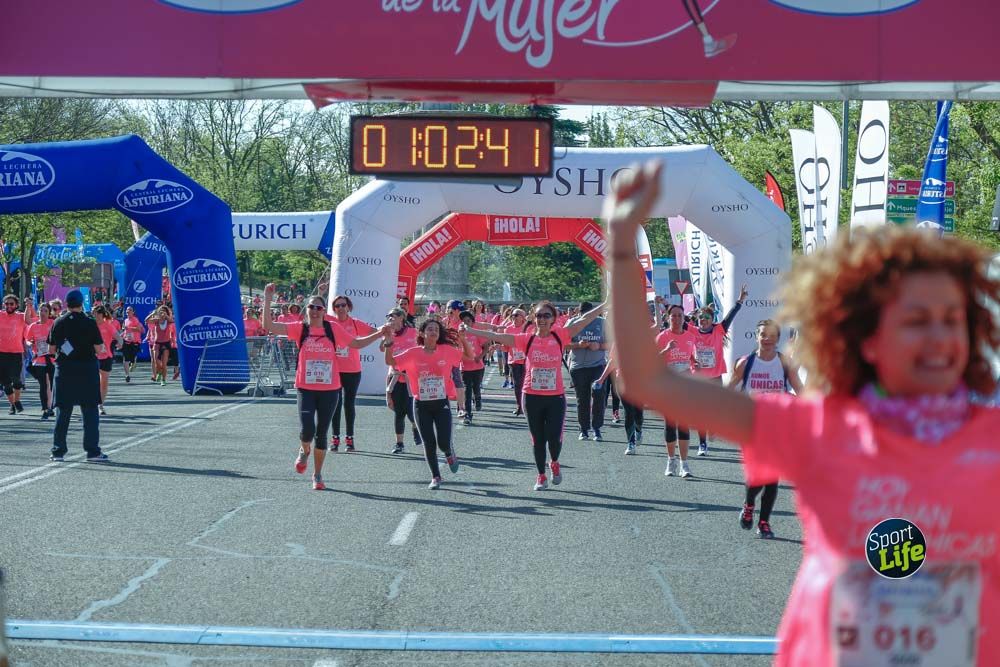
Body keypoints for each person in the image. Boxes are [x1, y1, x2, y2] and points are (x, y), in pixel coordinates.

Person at [606, 161, 1000, 666]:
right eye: (916, 320)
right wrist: (620, 244)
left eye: (953, 319)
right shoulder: (814, 428)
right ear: (866, 336)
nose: (940, 336)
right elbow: (647, 379)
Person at [463, 301, 605, 490]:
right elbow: (496, 335)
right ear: (533, 318)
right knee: (538, 439)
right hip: (531, 396)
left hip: (555, 397)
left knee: (554, 438)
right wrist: (471, 330)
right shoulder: (526, 339)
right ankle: (541, 475)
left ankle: (554, 462)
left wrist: (606, 303)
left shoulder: (560, 335)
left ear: (553, 319)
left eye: (547, 316)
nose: (542, 319)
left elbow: (586, 318)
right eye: (539, 316)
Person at [261, 284, 385, 490]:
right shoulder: (300, 328)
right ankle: (304, 449)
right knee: (307, 429)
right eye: (312, 307)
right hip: (305, 387)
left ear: (323, 311)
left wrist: (380, 333)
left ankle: (317, 475)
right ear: (307, 310)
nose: (315, 311)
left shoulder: (332, 329)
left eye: (319, 308)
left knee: (321, 433)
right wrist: (267, 298)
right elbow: (269, 326)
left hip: (329, 389)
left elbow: (356, 343)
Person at [729, 318, 804, 539]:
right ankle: (749, 504)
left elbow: (800, 389)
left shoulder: (784, 364)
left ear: (778, 339)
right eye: (763, 334)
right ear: (756, 337)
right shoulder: (745, 363)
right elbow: (730, 388)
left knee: (772, 477)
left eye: (772, 335)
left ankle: (764, 523)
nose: (767, 339)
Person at [384, 318, 473, 489]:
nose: (433, 332)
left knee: (443, 442)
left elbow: (469, 357)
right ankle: (435, 477)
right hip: (420, 404)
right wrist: (388, 344)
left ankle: (449, 452)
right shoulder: (413, 353)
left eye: (436, 330)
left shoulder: (446, 350)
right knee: (428, 442)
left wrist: (463, 339)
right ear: (423, 333)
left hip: (441, 403)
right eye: (430, 329)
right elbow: (391, 362)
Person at [47, 290, 108, 463]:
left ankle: (58, 451)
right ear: (82, 304)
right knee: (89, 412)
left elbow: (51, 350)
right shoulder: (89, 322)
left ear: (66, 304)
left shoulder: (58, 322)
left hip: (65, 371)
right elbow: (98, 348)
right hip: (87, 370)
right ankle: (92, 451)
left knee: (63, 412)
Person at [690, 283, 749, 456]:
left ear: (711, 319)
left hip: (715, 376)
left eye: (707, 318)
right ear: (698, 320)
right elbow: (677, 328)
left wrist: (740, 300)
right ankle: (702, 444)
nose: (704, 321)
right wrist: (693, 361)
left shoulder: (719, 330)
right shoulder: (692, 331)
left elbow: (731, 316)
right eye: (701, 318)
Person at [328, 295, 375, 452]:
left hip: (353, 370)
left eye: (343, 305)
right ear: (334, 309)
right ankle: (335, 439)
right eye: (337, 306)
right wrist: (321, 293)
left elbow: (374, 332)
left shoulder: (355, 323)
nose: (340, 308)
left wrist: (386, 336)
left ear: (349, 307)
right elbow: (311, 311)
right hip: (335, 370)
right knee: (335, 404)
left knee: (349, 404)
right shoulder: (330, 322)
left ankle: (350, 439)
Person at [656, 304, 698, 477]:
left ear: (684, 318)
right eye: (673, 315)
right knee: (671, 424)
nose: (676, 318)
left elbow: (691, 358)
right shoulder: (662, 337)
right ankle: (671, 460)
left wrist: (695, 363)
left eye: (680, 315)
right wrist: (666, 350)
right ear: (667, 318)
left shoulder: (690, 337)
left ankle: (684, 463)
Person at [567, 300, 609, 441]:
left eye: (587, 315)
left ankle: (597, 428)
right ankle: (584, 429)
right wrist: (578, 345)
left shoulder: (602, 323)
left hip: (597, 365)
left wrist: (600, 346)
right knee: (582, 399)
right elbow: (562, 343)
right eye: (582, 315)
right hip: (578, 366)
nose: (584, 318)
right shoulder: (573, 322)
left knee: (598, 394)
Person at [382, 307, 422, 454]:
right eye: (389, 316)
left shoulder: (413, 332)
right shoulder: (388, 332)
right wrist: (387, 338)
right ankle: (399, 443)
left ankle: (415, 427)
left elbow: (422, 349)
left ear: (402, 317)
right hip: (396, 376)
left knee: (412, 412)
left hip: (412, 377)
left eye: (393, 316)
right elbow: (382, 349)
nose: (390, 318)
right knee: (399, 412)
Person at [0, 294, 32, 415]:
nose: (8, 306)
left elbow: (29, 320)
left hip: (16, 353)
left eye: (11, 304)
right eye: (6, 304)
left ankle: (17, 400)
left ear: (17, 305)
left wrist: (28, 305)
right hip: (1, 353)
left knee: (16, 380)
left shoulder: (20, 317)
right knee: (6, 383)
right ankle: (12, 404)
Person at [24, 303, 55, 419]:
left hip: (52, 359)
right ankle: (46, 408)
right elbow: (27, 340)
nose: (43, 313)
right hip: (39, 359)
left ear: (49, 313)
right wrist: (30, 343)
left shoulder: (53, 324)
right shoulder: (33, 326)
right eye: (41, 310)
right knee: (43, 385)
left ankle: (51, 406)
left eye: (45, 311)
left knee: (51, 384)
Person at [458, 310, 488, 424]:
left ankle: (478, 398)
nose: (466, 323)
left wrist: (480, 356)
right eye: (464, 321)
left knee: (476, 387)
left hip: (478, 367)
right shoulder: (459, 334)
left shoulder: (477, 333)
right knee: (467, 391)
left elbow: (486, 347)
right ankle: (468, 415)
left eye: (468, 321)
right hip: (465, 368)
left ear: (472, 322)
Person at [93, 305, 124, 415]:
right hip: (93, 357)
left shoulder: (108, 326)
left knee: (104, 383)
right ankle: (93, 403)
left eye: (96, 314)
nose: (94, 316)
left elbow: (118, 337)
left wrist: (120, 343)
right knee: (93, 381)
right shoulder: (91, 326)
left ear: (101, 315)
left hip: (106, 356)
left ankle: (100, 405)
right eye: (93, 314)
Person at [505, 308, 531, 416]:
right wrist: (498, 346)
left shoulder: (528, 328)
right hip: (514, 360)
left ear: (523, 317)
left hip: (526, 360)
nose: (514, 317)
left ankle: (527, 406)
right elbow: (506, 347)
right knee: (517, 384)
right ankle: (519, 406)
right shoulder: (508, 329)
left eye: (516, 315)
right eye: (512, 315)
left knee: (528, 384)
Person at [146, 306, 174, 385]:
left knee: (164, 364)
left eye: (164, 311)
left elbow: (172, 321)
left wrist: (167, 315)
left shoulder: (168, 321)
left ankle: (163, 380)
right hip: (157, 343)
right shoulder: (156, 320)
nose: (162, 313)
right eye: (161, 311)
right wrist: (153, 313)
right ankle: (159, 371)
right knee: (156, 361)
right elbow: (147, 320)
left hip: (166, 343)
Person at [120, 306, 144, 383]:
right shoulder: (125, 320)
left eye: (130, 310)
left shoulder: (135, 320)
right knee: (125, 358)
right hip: (126, 341)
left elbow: (139, 329)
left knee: (132, 358)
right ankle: (127, 375)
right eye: (127, 310)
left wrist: (129, 328)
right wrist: (119, 337)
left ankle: (133, 362)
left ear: (133, 312)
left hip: (135, 341)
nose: (128, 311)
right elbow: (125, 331)